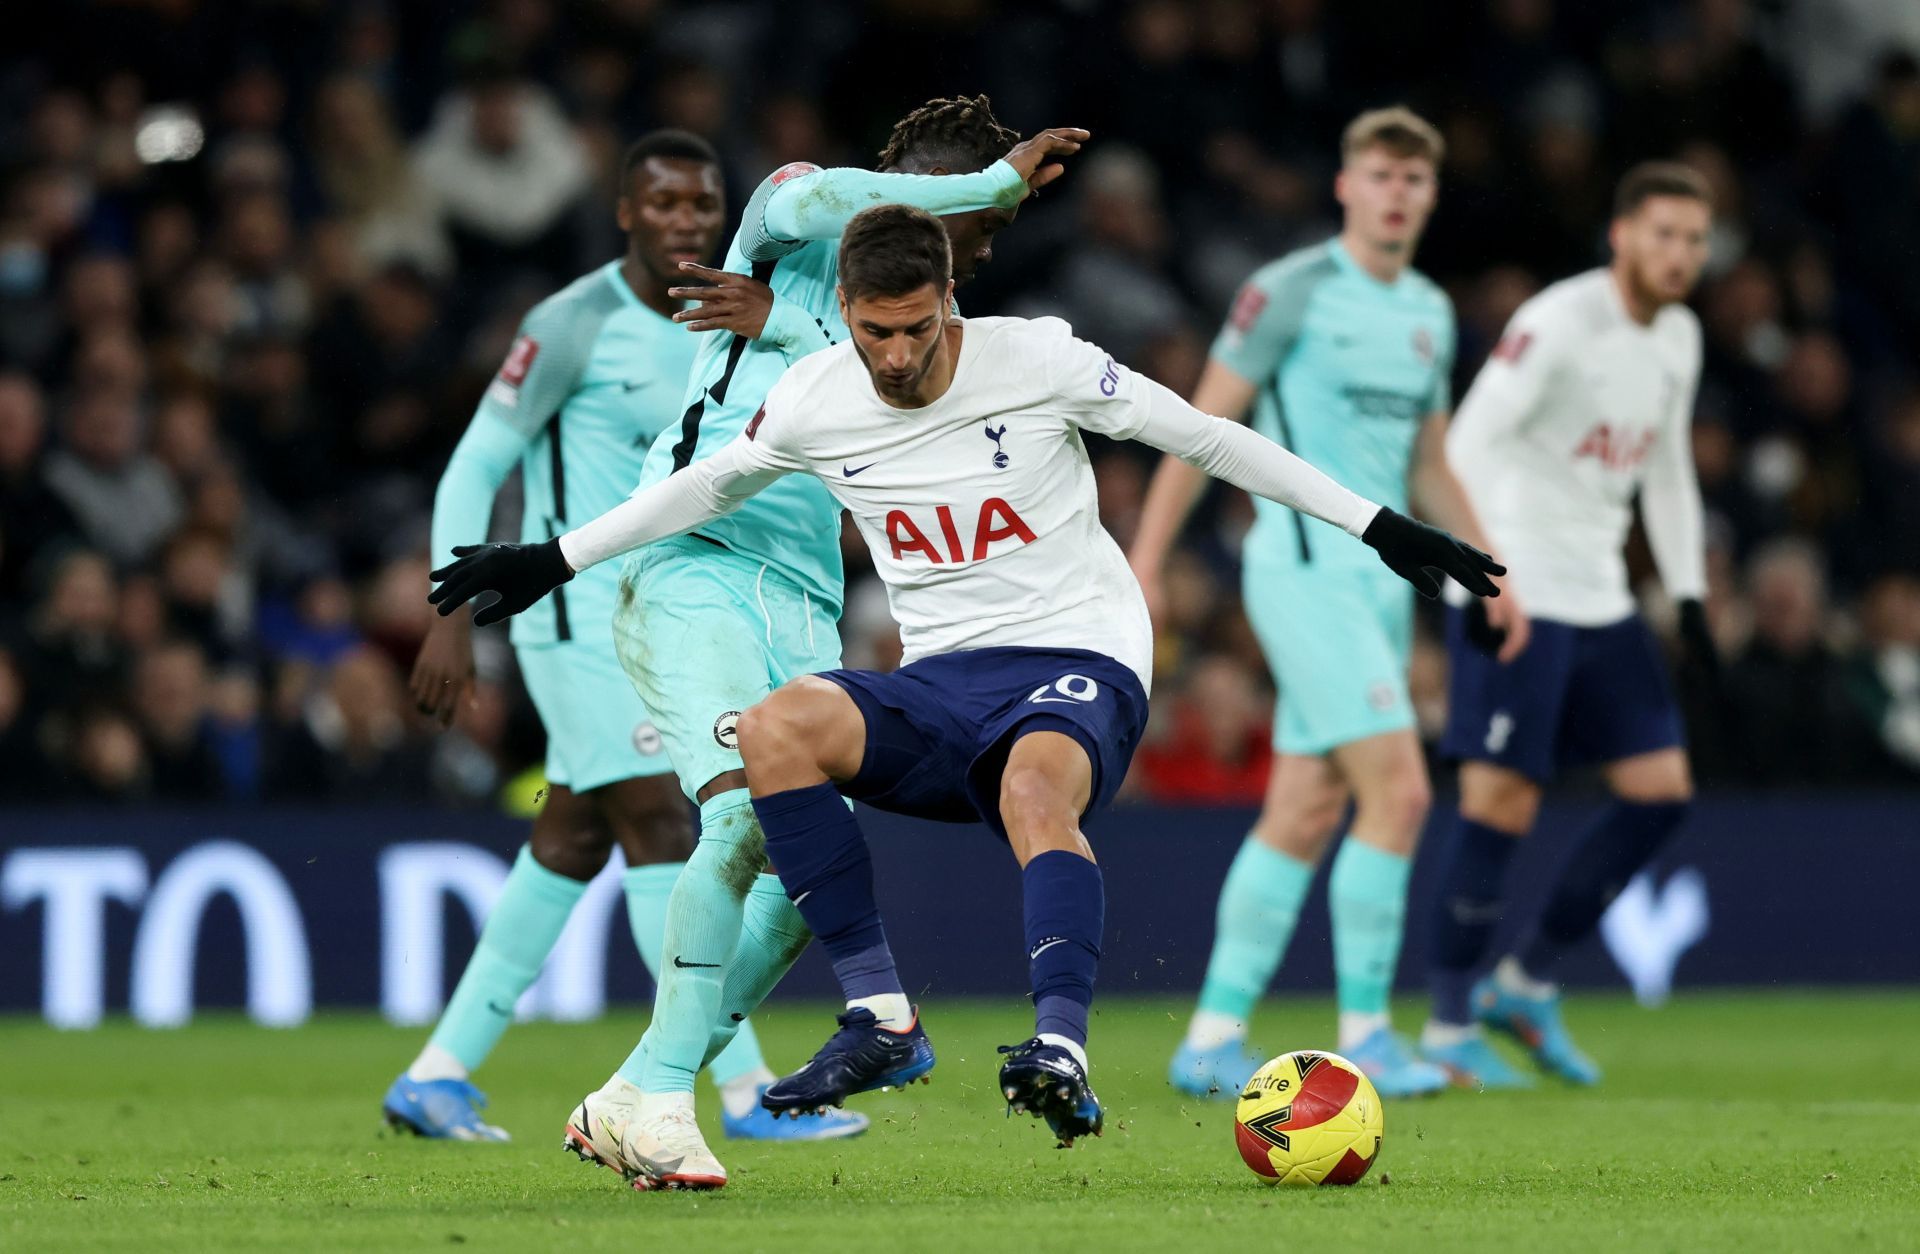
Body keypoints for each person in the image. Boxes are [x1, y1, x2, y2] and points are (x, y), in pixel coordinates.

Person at [427, 204, 1504, 1159]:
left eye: (916, 327)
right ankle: (882, 1016)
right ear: (843, 309)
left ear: (950, 301)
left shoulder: (1038, 360)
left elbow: (1210, 437)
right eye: (873, 330)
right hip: (944, 677)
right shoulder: (815, 394)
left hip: (1078, 654)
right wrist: (549, 558)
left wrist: (1381, 527)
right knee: (775, 730)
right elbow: (703, 486)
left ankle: (1061, 1048)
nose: (895, 355)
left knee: (1035, 793)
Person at [506, 97, 1085, 1190]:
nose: (979, 244)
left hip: (806, 591)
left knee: (802, 857)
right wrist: (992, 181)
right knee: (735, 816)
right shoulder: (783, 214)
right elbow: (827, 199)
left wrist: (782, 322)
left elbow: (877, 395)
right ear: (912, 184)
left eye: (982, 234)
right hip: (695, 563)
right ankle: (667, 1100)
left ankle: (642, 1087)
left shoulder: (906, 335)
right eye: (970, 221)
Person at [381, 130, 861, 1144]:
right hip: (573, 615)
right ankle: (733, 1092)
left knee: (574, 833)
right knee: (659, 819)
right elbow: (477, 461)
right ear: (625, 212)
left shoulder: (743, 315)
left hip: (670, 602)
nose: (686, 220)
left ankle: (436, 1072)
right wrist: (448, 611)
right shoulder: (574, 322)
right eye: (665, 203)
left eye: (702, 202)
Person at [1127, 107, 1512, 1100]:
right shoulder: (1288, 290)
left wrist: (1495, 569)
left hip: (1386, 590)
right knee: (1403, 792)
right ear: (1346, 185)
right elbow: (1201, 425)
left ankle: (1209, 1039)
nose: (1396, 194)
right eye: (1380, 175)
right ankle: (1372, 1033)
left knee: (1305, 808)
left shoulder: (1428, 307)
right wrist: (1148, 557)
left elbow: (1427, 461)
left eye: (1414, 180)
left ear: (1430, 194)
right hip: (1303, 570)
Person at [1420, 162, 1719, 1088]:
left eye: (1696, 239)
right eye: (1663, 233)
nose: (1680, 256)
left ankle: (1525, 980)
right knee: (1499, 803)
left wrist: (1692, 594)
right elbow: (1465, 443)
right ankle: (1446, 1026)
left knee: (1661, 792)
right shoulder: (1557, 322)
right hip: (1526, 590)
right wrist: (1477, 583)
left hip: (1603, 597)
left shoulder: (1679, 336)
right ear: (1620, 234)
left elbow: (1663, 470)